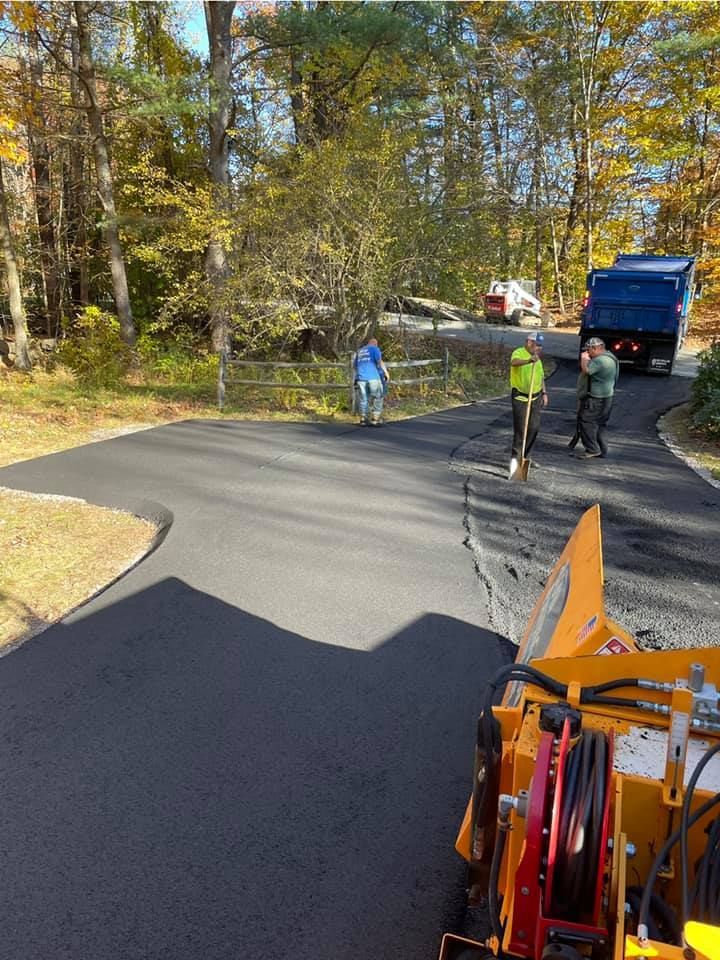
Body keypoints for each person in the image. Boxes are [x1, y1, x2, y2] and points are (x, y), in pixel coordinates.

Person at [509, 331, 548, 477]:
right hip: (521, 398)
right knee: (520, 430)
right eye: (537, 345)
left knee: (533, 428)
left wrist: (544, 393)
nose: (539, 348)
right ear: (529, 343)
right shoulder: (518, 352)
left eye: (541, 346)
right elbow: (514, 362)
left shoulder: (538, 359)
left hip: (536, 397)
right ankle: (516, 461)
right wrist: (528, 361)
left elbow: (541, 376)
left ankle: (527, 458)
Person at [576, 337, 619, 459]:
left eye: (588, 350)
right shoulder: (611, 357)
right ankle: (602, 449)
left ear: (595, 348)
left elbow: (586, 371)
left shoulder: (600, 361)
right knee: (600, 424)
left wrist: (584, 359)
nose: (587, 352)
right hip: (607, 397)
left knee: (586, 422)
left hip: (596, 398)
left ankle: (592, 449)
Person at [354, 337, 390, 426]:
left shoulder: (360, 351)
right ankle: (375, 419)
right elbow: (379, 361)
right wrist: (386, 373)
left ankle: (363, 419)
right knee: (378, 396)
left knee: (363, 398)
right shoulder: (375, 349)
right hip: (373, 377)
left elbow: (355, 366)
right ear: (375, 344)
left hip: (361, 378)